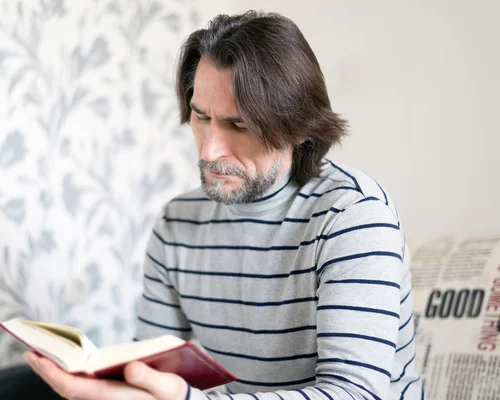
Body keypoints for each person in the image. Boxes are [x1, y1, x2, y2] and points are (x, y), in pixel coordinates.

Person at [24, 10, 423, 400]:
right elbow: (148, 370)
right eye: (200, 117)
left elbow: (355, 393)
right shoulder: (178, 222)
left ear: (298, 126)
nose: (210, 150)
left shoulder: (353, 216)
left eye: (239, 125)